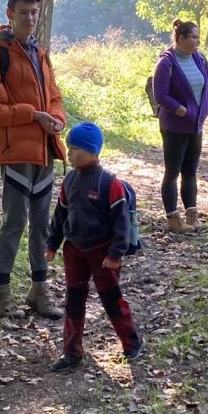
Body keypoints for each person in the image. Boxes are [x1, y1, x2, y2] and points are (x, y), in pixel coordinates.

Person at [0, 0, 69, 319]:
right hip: (15, 153)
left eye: (34, 12)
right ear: (10, 15)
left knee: (42, 225)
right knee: (15, 221)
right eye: (23, 12)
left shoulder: (40, 53)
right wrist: (33, 115)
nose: (30, 18)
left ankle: (39, 290)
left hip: (44, 150)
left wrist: (56, 118)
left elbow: (55, 97)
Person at [44, 121, 144, 371]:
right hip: (74, 250)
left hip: (102, 253)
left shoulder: (108, 182)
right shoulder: (69, 180)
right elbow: (60, 215)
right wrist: (52, 244)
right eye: (69, 148)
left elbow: (121, 222)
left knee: (111, 299)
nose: (70, 153)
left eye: (75, 148)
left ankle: (131, 342)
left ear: (92, 151)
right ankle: (71, 351)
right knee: (73, 301)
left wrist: (115, 254)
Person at [151, 19, 208, 232]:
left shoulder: (200, 59)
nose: (198, 41)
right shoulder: (166, 63)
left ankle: (191, 217)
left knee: (190, 171)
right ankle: (173, 220)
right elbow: (160, 95)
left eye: (198, 37)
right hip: (174, 127)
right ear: (180, 38)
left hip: (196, 126)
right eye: (194, 37)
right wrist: (181, 111)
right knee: (173, 172)